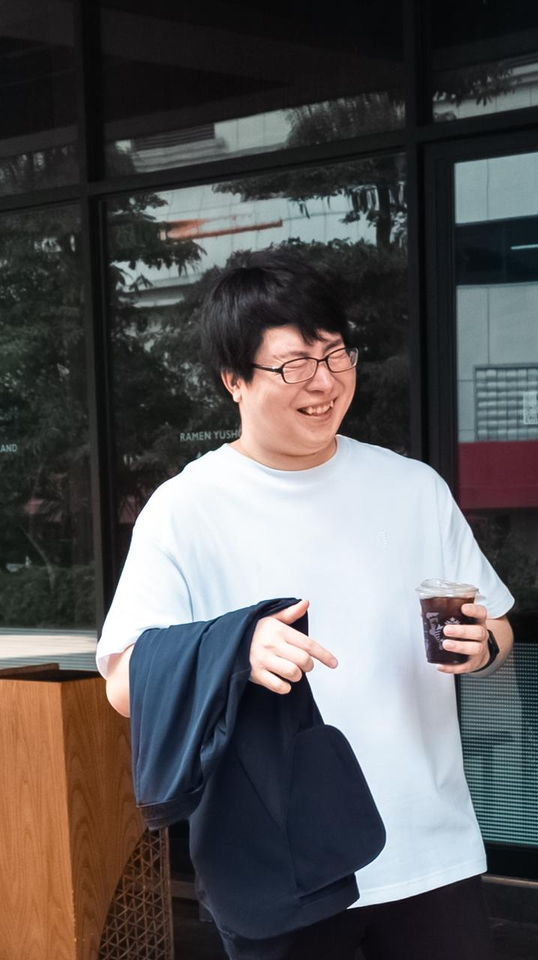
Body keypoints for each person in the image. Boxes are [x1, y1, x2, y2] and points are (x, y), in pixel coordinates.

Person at [98, 248, 514, 960]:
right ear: (233, 380)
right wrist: (235, 648)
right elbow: (122, 682)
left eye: (335, 354)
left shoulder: (412, 488)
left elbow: (496, 626)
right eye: (293, 365)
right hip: (277, 864)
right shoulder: (186, 508)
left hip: (429, 848)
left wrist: (485, 648)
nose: (324, 382)